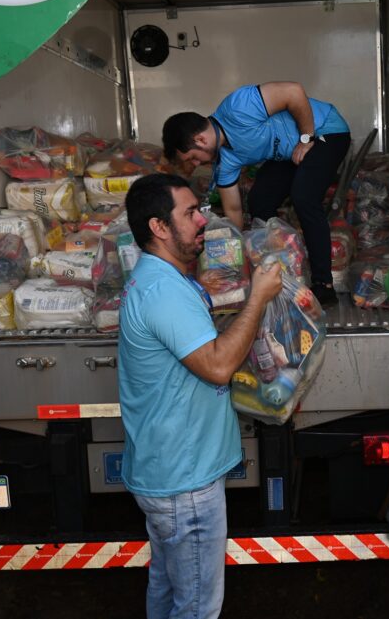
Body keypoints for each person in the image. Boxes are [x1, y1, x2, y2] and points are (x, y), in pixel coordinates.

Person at [118, 173, 282, 619]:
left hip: (170, 471)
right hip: (183, 483)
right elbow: (216, 365)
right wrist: (258, 300)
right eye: (190, 213)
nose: (202, 220)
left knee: (170, 591)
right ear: (158, 227)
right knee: (196, 608)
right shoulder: (163, 290)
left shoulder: (161, 279)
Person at [162, 81, 351, 307]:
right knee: (259, 201)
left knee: (304, 196)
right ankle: (280, 270)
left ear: (201, 140)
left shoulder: (237, 107)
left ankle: (324, 286)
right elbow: (233, 212)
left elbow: (294, 92)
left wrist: (305, 139)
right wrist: (234, 266)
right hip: (290, 152)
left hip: (324, 131)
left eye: (193, 157)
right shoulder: (225, 161)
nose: (196, 163)